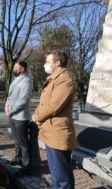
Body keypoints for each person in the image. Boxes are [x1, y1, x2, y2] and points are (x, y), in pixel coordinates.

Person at [32, 50, 77, 189]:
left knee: (62, 177)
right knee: (56, 174)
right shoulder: (54, 78)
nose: (45, 64)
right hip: (51, 132)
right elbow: (44, 104)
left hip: (59, 134)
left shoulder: (65, 79)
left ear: (57, 63)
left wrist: (36, 116)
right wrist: (38, 116)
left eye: (47, 61)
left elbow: (53, 106)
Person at [5, 61, 33, 176]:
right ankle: (17, 158)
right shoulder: (15, 80)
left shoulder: (27, 81)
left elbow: (23, 100)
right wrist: (6, 107)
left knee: (23, 142)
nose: (14, 70)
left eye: (16, 68)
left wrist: (12, 110)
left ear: (23, 69)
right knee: (16, 140)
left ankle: (26, 167)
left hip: (20, 117)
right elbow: (9, 96)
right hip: (11, 114)